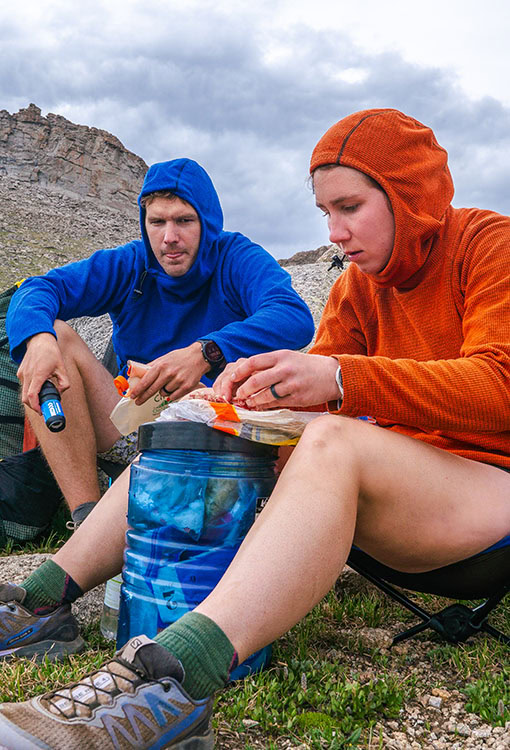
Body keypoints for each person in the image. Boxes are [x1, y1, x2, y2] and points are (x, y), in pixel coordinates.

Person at [0, 108, 509, 749]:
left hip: (488, 501)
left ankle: (174, 679)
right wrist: (259, 405)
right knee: (204, 427)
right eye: (326, 213)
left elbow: (501, 386)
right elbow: (327, 399)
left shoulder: (488, 245)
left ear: (409, 193)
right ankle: (45, 599)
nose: (336, 232)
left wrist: (340, 380)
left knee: (331, 439)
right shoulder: (357, 287)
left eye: (350, 207)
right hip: (399, 497)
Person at [5, 158, 314, 527]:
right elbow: (41, 287)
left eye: (184, 221)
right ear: (144, 223)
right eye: (157, 222)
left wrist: (205, 352)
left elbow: (293, 316)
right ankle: (87, 518)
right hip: (133, 423)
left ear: (207, 223)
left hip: (217, 434)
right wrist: (39, 340)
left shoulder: (236, 258)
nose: (169, 237)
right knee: (56, 335)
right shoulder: (131, 264)